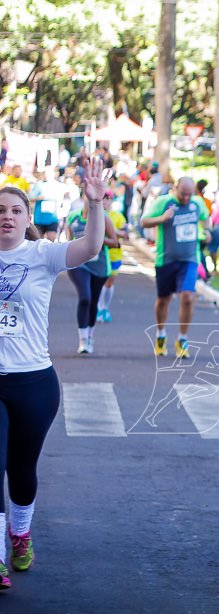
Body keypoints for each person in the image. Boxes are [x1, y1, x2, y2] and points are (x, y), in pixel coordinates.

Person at [0, 158, 106, 589]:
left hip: (33, 382)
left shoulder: (41, 254)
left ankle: (20, 534)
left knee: (22, 471)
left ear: (27, 219)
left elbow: (90, 249)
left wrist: (95, 205)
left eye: (14, 211)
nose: (6, 217)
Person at [140, 177, 210, 359]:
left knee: (188, 297)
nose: (186, 198)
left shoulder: (198, 203)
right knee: (164, 300)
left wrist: (207, 231)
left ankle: (182, 340)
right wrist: (162, 218)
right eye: (183, 194)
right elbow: (144, 222)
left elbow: (206, 218)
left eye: (189, 194)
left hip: (189, 259)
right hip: (166, 259)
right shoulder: (163, 202)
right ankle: (161, 335)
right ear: (175, 188)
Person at [64, 189, 118, 353]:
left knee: (93, 300)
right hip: (79, 263)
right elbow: (69, 240)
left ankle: (90, 336)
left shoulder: (104, 217)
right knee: (85, 297)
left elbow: (114, 241)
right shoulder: (73, 216)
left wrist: (97, 241)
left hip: (99, 265)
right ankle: (82, 340)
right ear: (82, 197)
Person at [97, 190, 129, 323]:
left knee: (110, 282)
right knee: (99, 282)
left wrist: (111, 229)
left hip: (114, 253)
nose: (105, 201)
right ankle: (97, 309)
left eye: (108, 198)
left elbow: (125, 234)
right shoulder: (94, 215)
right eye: (103, 198)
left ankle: (105, 308)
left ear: (112, 201)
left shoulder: (118, 216)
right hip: (99, 254)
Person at [28, 167, 65, 241]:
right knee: (38, 240)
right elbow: (30, 198)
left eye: (49, 174)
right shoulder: (38, 184)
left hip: (52, 217)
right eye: (46, 174)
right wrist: (38, 198)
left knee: (51, 239)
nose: (47, 176)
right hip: (39, 218)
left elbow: (62, 199)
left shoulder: (58, 185)